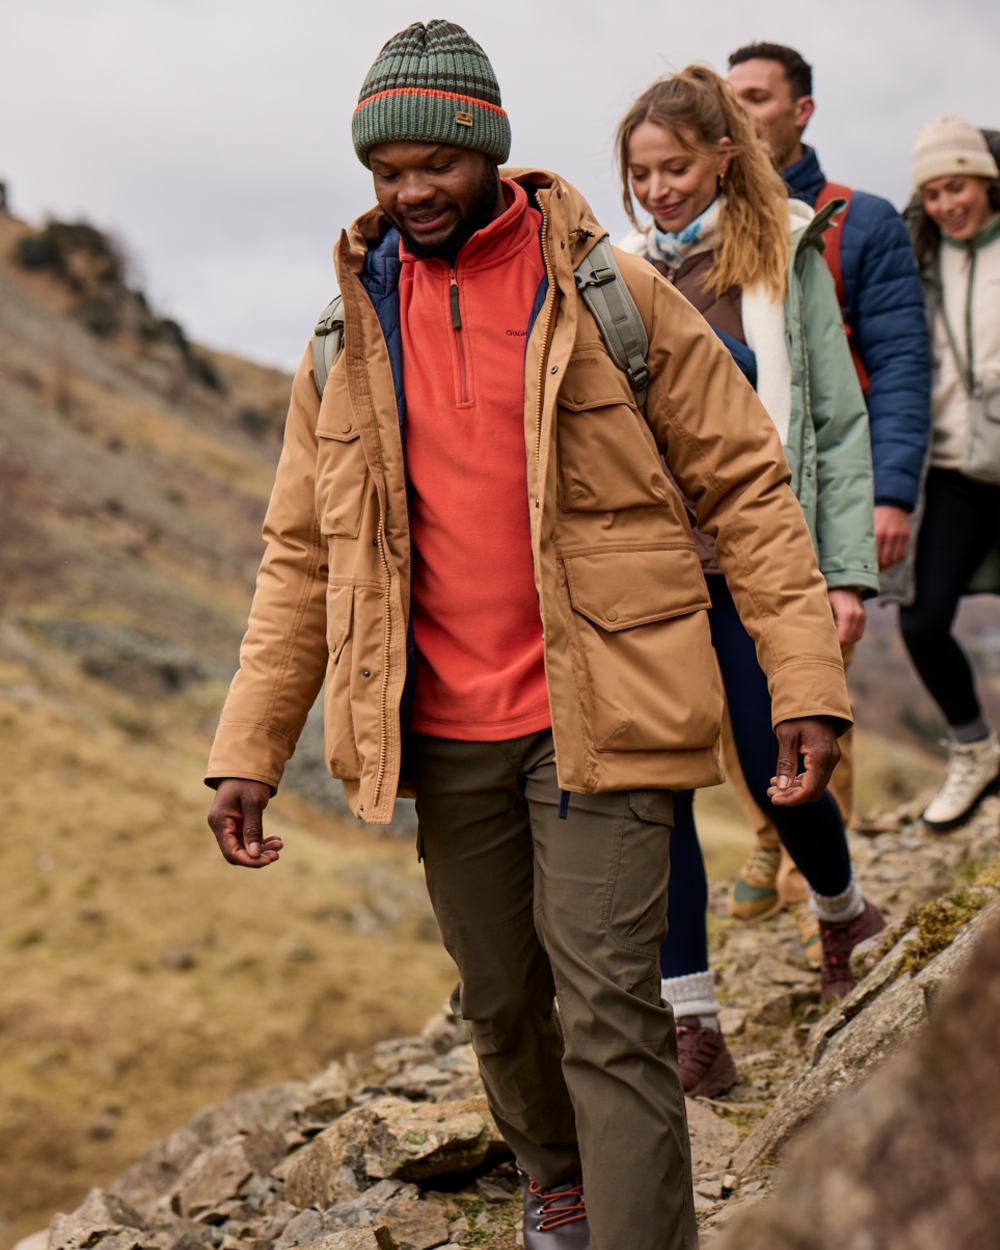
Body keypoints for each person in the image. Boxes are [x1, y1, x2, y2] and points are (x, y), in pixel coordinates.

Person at [205, 21, 856, 1250]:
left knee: (613, 1006)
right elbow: (299, 555)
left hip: (601, 709)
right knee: (502, 1004)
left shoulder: (612, 292)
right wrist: (247, 748)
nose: (408, 193)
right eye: (384, 172)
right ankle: (551, 1178)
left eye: (431, 167)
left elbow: (748, 491)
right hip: (442, 733)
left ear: (487, 152)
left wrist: (802, 679)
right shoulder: (345, 338)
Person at [616, 65, 884, 1097]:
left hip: (761, 554)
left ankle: (839, 904)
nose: (657, 191)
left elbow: (836, 422)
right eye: (640, 175)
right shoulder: (619, 272)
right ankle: (694, 1022)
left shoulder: (785, 257)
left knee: (779, 756)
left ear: (723, 154)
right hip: (655, 569)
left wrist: (844, 571)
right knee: (659, 785)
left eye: (675, 168)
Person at [725, 41, 930, 931]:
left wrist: (889, 496)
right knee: (743, 693)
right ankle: (778, 830)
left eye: (758, 99)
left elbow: (897, 363)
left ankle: (813, 873)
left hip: (825, 497)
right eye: (730, 101)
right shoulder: (709, 225)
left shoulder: (863, 220)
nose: (743, 114)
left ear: (801, 111)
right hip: (733, 503)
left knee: (812, 689)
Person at [890, 118, 1000, 830]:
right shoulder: (920, 257)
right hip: (957, 468)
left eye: (955, 186)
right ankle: (976, 749)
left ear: (986, 182)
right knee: (922, 618)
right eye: (931, 192)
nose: (944, 204)